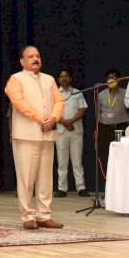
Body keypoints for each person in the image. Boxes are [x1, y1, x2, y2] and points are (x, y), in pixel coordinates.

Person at [5, 45, 64, 230]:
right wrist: (42, 118)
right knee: (26, 178)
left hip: (47, 134)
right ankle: (28, 216)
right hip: (26, 135)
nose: (35, 59)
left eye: (37, 56)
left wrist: (54, 117)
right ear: (22, 61)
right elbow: (18, 102)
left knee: (46, 178)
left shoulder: (49, 79)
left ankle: (44, 215)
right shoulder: (16, 79)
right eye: (30, 56)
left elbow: (59, 100)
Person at [54, 68, 89, 198]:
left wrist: (71, 121)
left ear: (70, 79)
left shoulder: (77, 93)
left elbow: (82, 110)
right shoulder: (54, 94)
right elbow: (52, 112)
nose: (64, 78)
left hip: (76, 130)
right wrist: (64, 122)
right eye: (62, 76)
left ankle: (81, 187)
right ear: (58, 79)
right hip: (61, 131)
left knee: (77, 160)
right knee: (62, 161)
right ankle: (62, 189)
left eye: (67, 76)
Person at [96, 69, 129, 177]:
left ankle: (122, 186)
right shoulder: (101, 94)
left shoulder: (125, 93)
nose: (112, 80)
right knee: (107, 156)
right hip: (105, 128)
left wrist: (128, 125)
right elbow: (98, 113)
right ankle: (108, 187)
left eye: (115, 78)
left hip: (122, 127)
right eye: (109, 78)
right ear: (106, 80)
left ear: (119, 80)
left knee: (123, 157)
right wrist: (97, 128)